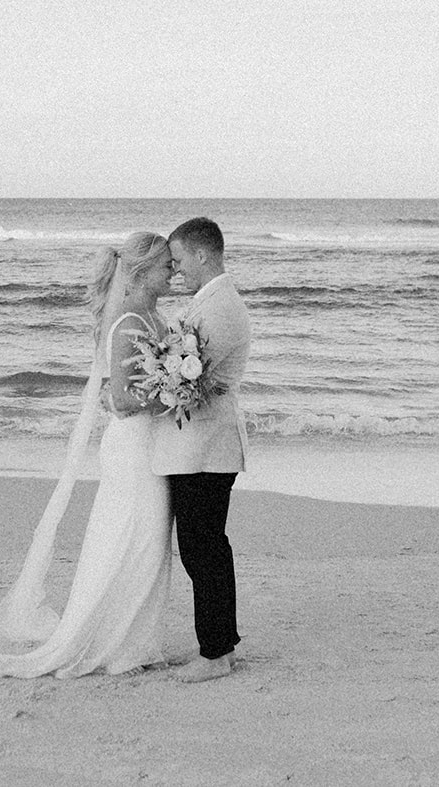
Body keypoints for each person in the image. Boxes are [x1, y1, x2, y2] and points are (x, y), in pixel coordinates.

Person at [0, 232, 178, 678]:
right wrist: (177, 395)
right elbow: (124, 402)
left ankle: (134, 641)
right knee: (130, 537)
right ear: (143, 271)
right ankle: (112, 644)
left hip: (152, 444)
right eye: (167, 264)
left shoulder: (154, 316)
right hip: (133, 446)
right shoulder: (128, 324)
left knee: (148, 543)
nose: (174, 271)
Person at [160, 217, 250, 683]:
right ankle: (221, 646)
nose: (176, 271)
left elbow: (193, 377)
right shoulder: (211, 300)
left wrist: (161, 382)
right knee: (206, 547)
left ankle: (214, 653)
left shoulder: (219, 306)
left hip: (209, 446)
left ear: (201, 254)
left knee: (203, 549)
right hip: (202, 445)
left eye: (178, 261)